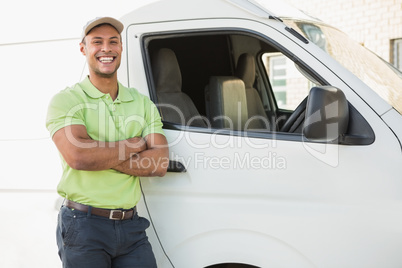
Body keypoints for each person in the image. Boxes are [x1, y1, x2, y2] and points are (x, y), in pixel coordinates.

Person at [46, 17, 169, 268]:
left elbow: (160, 163)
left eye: (113, 42)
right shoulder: (66, 100)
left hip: (132, 226)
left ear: (121, 48)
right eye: (97, 42)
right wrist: (135, 145)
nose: (106, 49)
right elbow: (79, 157)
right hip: (83, 225)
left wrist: (99, 152)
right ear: (84, 49)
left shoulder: (141, 103)